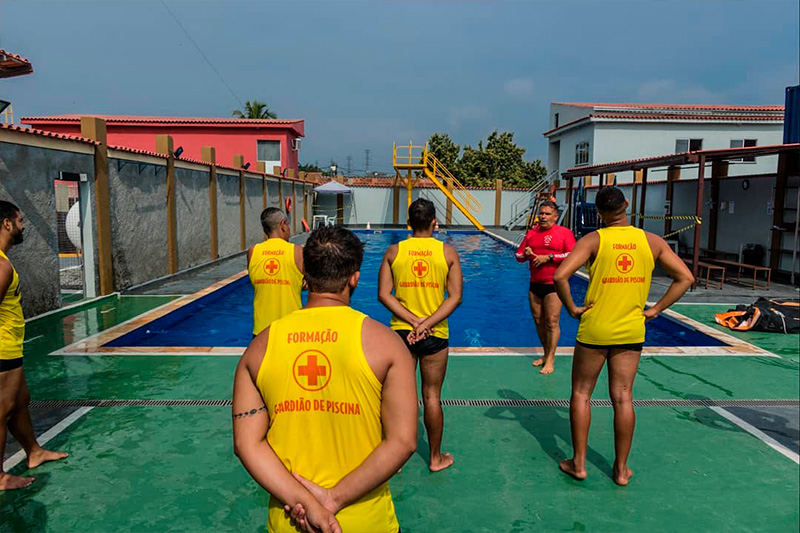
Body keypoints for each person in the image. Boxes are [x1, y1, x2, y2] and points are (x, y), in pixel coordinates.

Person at [233, 226, 418, 533]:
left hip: (291, 520)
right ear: (355, 277)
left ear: (304, 275)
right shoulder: (386, 345)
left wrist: (304, 501)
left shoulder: (258, 348)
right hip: (366, 521)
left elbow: (246, 444)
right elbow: (403, 441)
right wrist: (331, 500)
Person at [552, 186, 693, 486]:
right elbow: (686, 278)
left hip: (596, 327)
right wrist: (656, 310)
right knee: (623, 398)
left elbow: (559, 275)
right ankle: (620, 469)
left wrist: (573, 308)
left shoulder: (593, 240)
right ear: (626, 205)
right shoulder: (651, 241)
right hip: (631, 329)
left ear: (599, 214)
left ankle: (578, 463)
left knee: (581, 394)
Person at [378, 198, 463, 473]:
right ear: (434, 223)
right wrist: (426, 323)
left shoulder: (394, 251)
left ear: (408, 224)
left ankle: (395, 460)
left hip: (402, 332)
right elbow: (456, 298)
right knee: (432, 396)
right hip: (435, 333)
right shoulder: (447, 252)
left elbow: (383, 294)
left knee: (396, 397)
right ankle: (435, 458)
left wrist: (413, 321)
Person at [0, 201, 68, 491]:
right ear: (6, 223)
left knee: (21, 402)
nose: (23, 224)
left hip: (11, 347)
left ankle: (34, 452)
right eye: (20, 219)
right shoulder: (1, 266)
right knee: (2, 411)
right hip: (2, 351)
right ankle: (0, 477)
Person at [515, 200, 575, 374]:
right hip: (535, 283)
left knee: (552, 321)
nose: (543, 216)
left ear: (555, 217)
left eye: (547, 214)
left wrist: (549, 257)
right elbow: (518, 255)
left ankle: (550, 359)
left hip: (554, 285)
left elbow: (572, 254)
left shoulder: (564, 233)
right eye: (541, 213)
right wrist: (525, 255)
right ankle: (545, 352)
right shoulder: (532, 234)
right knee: (538, 320)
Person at [248, 208, 304, 337]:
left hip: (261, 331)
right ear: (283, 225)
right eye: (288, 224)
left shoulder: (253, 252)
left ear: (264, 230)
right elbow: (307, 284)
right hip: (291, 330)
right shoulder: (297, 252)